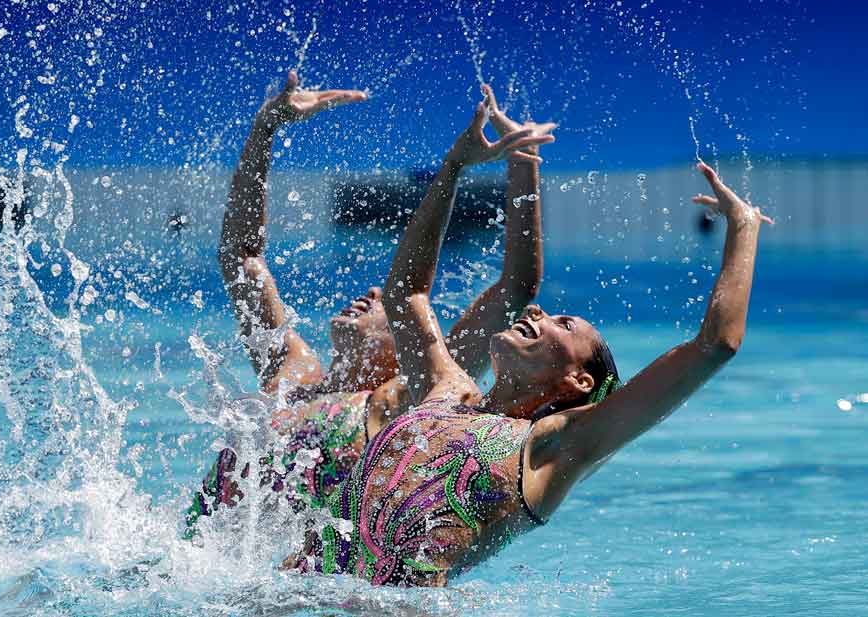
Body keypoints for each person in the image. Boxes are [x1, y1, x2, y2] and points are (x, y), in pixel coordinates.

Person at [286, 98, 772, 586]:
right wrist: (453, 168)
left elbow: (715, 345)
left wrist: (744, 228)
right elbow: (406, 293)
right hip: (288, 595)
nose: (537, 312)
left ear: (579, 379)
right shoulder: (444, 390)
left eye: (564, 323)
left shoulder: (553, 448)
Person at [185, 73, 553, 530]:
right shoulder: (291, 373)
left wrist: (522, 159)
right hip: (196, 566)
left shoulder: (414, 395)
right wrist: (265, 129)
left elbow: (515, 289)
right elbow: (242, 257)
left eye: (385, 299)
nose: (374, 292)